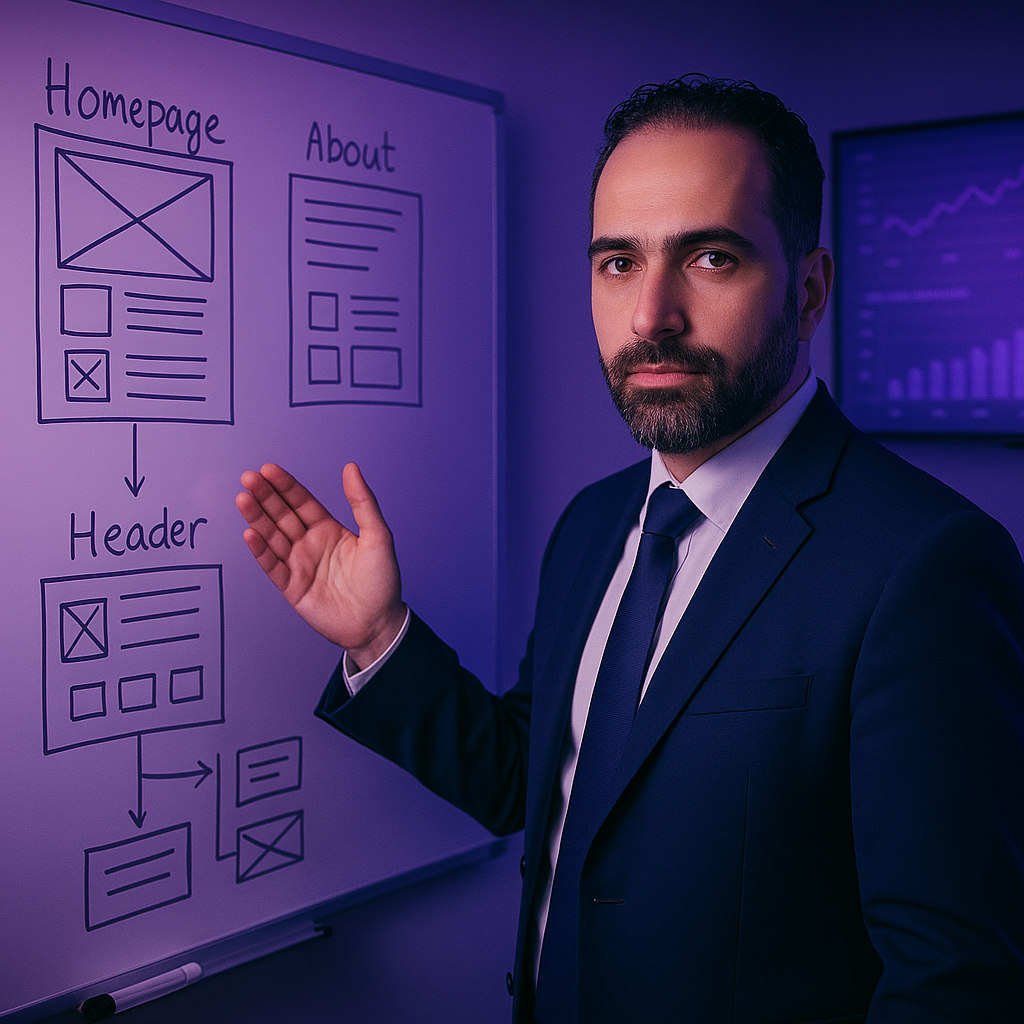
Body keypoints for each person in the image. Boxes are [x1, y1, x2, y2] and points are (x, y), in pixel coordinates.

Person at [236, 76, 1024, 1023]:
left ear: (809, 292)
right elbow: (538, 777)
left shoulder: (925, 564)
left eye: (711, 257)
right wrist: (379, 639)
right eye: (618, 262)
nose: (651, 313)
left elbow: (956, 985)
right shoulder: (593, 524)